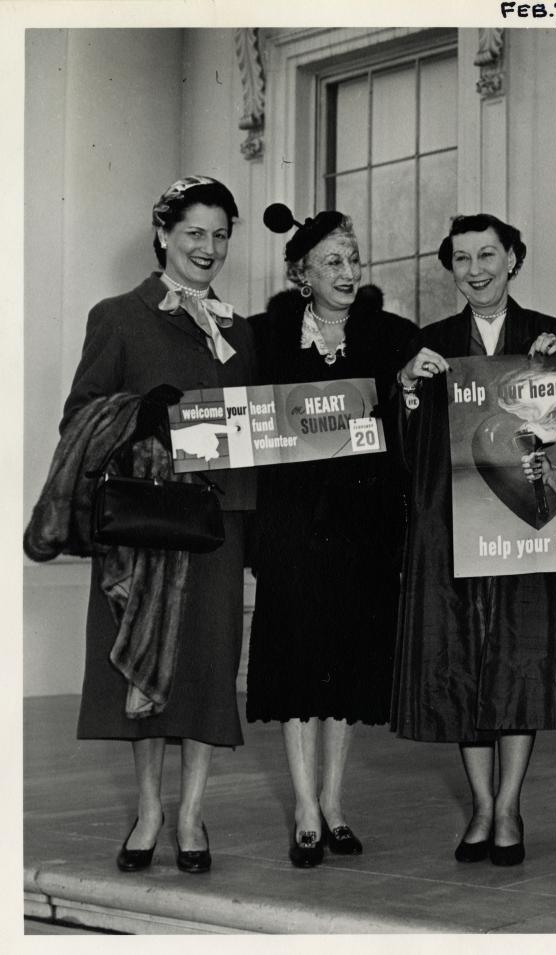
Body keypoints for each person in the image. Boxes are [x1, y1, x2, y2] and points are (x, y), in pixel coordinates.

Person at [62, 176, 255, 874]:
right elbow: (81, 413)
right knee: (144, 667)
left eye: (220, 234)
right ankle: (148, 810)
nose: (208, 248)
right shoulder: (118, 315)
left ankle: (193, 813)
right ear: (164, 235)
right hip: (142, 526)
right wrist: (140, 413)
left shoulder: (241, 329)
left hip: (216, 525)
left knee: (205, 666)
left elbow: (257, 432)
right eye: (195, 233)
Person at [390, 213, 556, 866]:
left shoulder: (545, 336)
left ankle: (510, 805)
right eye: (462, 258)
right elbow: (407, 452)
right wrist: (410, 388)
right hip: (450, 523)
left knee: (518, 662)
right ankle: (479, 802)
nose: (475, 269)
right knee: (462, 660)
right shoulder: (433, 342)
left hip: (526, 523)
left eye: (487, 255)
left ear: (513, 259)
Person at [246, 206, 417, 867]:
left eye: (353, 258)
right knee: (297, 662)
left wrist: (403, 392)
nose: (349, 271)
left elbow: (409, 423)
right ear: (301, 275)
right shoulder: (268, 338)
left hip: (362, 529)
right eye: (333, 262)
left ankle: (336, 801)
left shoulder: (386, 338)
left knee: (345, 663)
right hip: (291, 527)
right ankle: (304, 808)